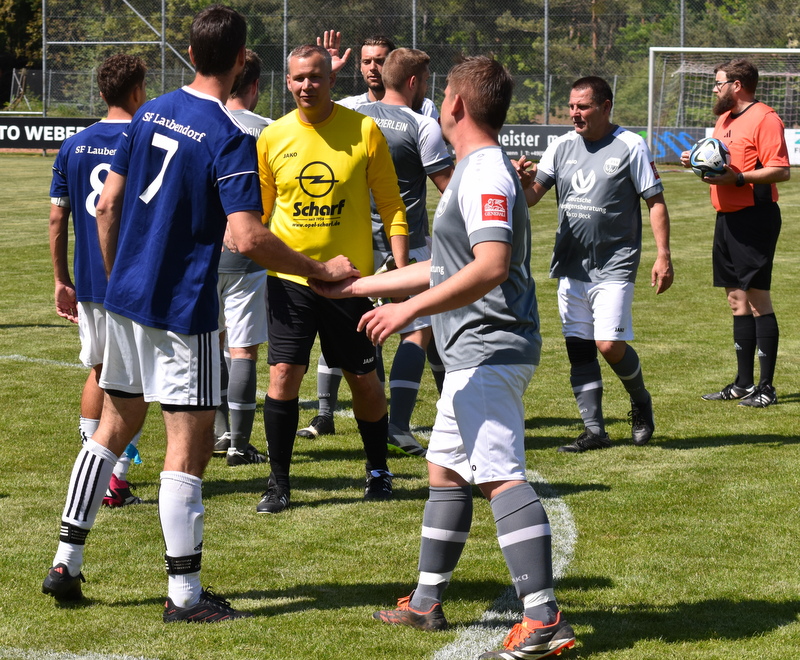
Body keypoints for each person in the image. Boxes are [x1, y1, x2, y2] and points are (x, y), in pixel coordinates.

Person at [41, 5, 357, 621]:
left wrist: (122, 275)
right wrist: (319, 270)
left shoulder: (149, 111)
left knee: (112, 427)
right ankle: (184, 595)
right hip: (184, 312)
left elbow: (106, 207)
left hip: (123, 301)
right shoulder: (229, 136)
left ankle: (65, 562)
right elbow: (246, 236)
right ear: (241, 59)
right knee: (187, 448)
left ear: (189, 54)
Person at [310, 56, 576, 660]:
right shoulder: (473, 171)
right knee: (446, 471)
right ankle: (427, 602)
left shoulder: (483, 173)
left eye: (443, 94)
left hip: (490, 346)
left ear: (455, 104)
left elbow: (490, 266)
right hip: (473, 351)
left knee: (501, 476)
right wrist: (359, 288)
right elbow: (447, 266)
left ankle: (544, 619)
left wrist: (407, 310)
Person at [254, 44, 408, 514]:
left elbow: (392, 205)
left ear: (331, 80)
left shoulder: (363, 130)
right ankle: (279, 483)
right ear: (287, 82)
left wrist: (400, 272)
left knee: (363, 379)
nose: (307, 85)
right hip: (290, 280)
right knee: (283, 374)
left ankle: (378, 470)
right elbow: (260, 214)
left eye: (316, 77)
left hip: (351, 283)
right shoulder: (272, 137)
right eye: (299, 78)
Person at [296, 33, 446, 443]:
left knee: (358, 324)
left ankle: (371, 419)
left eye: (379, 60)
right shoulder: (417, 122)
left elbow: (311, 118)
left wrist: (326, 75)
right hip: (404, 241)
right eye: (367, 60)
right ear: (413, 80)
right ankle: (390, 425)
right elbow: (448, 187)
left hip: (358, 241)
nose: (372, 67)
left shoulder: (354, 115)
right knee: (415, 328)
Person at [519, 75, 673, 453]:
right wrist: (520, 181)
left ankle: (640, 400)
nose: (575, 113)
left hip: (615, 262)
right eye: (571, 106)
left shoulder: (631, 145)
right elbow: (532, 197)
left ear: (605, 107)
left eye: (583, 106)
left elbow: (654, 201)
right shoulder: (561, 146)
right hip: (570, 263)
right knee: (579, 348)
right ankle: (594, 431)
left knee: (608, 344)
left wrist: (663, 255)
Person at [48, 53, 148, 507]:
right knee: (136, 382)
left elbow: (57, 218)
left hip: (89, 281)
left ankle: (94, 464)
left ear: (102, 92)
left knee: (100, 370)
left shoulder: (73, 145)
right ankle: (114, 476)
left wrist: (61, 279)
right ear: (138, 90)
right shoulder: (146, 140)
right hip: (135, 280)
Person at [680, 59, 789, 408]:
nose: (715, 89)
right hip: (725, 218)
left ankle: (766, 388)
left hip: (755, 218)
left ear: (737, 85)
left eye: (718, 83)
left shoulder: (765, 118)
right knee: (736, 301)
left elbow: (780, 170)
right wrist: (697, 161)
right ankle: (743, 384)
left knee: (757, 301)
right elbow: (721, 162)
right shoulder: (724, 119)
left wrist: (738, 178)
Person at [214, 48, 273, 466]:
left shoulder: (204, 122)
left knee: (212, 342)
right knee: (244, 349)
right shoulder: (269, 130)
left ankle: (219, 432)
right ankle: (239, 444)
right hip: (249, 251)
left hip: (203, 251)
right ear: (253, 87)